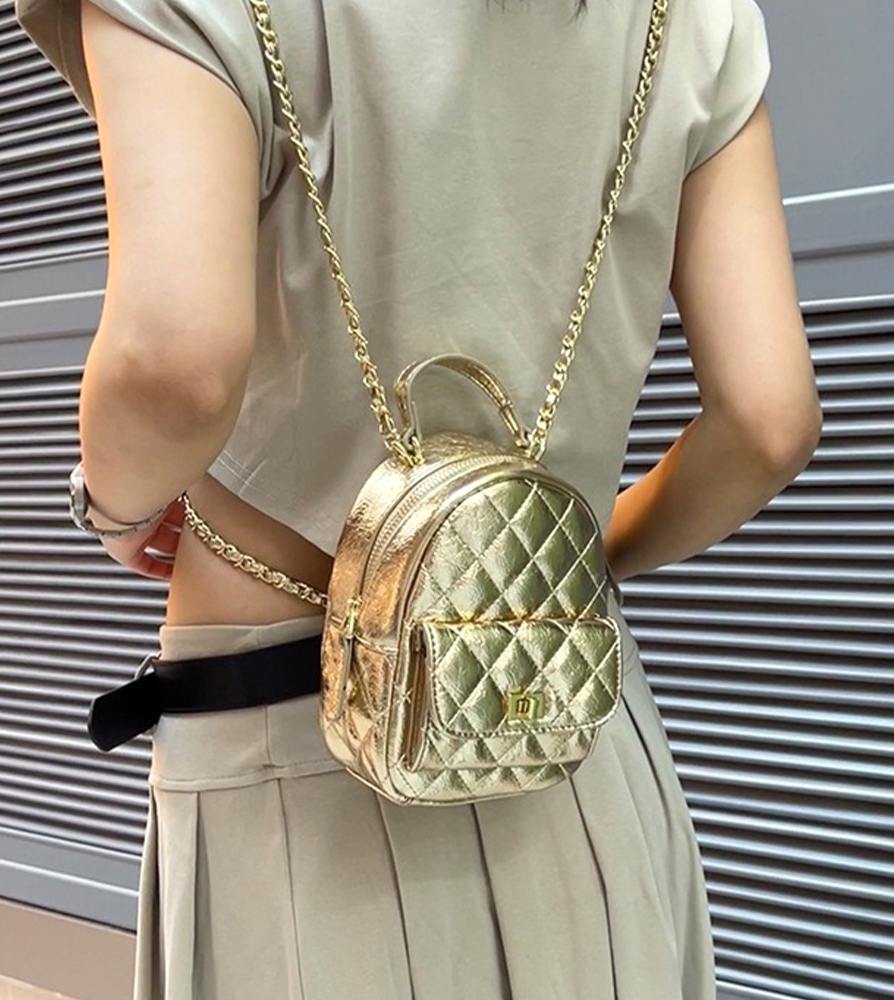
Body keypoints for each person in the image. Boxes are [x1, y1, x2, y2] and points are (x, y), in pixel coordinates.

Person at [17, 0, 822, 997]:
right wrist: (512, 574)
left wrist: (113, 507)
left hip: (289, 765)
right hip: (562, 733)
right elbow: (768, 422)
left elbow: (172, 367)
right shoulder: (692, 18)